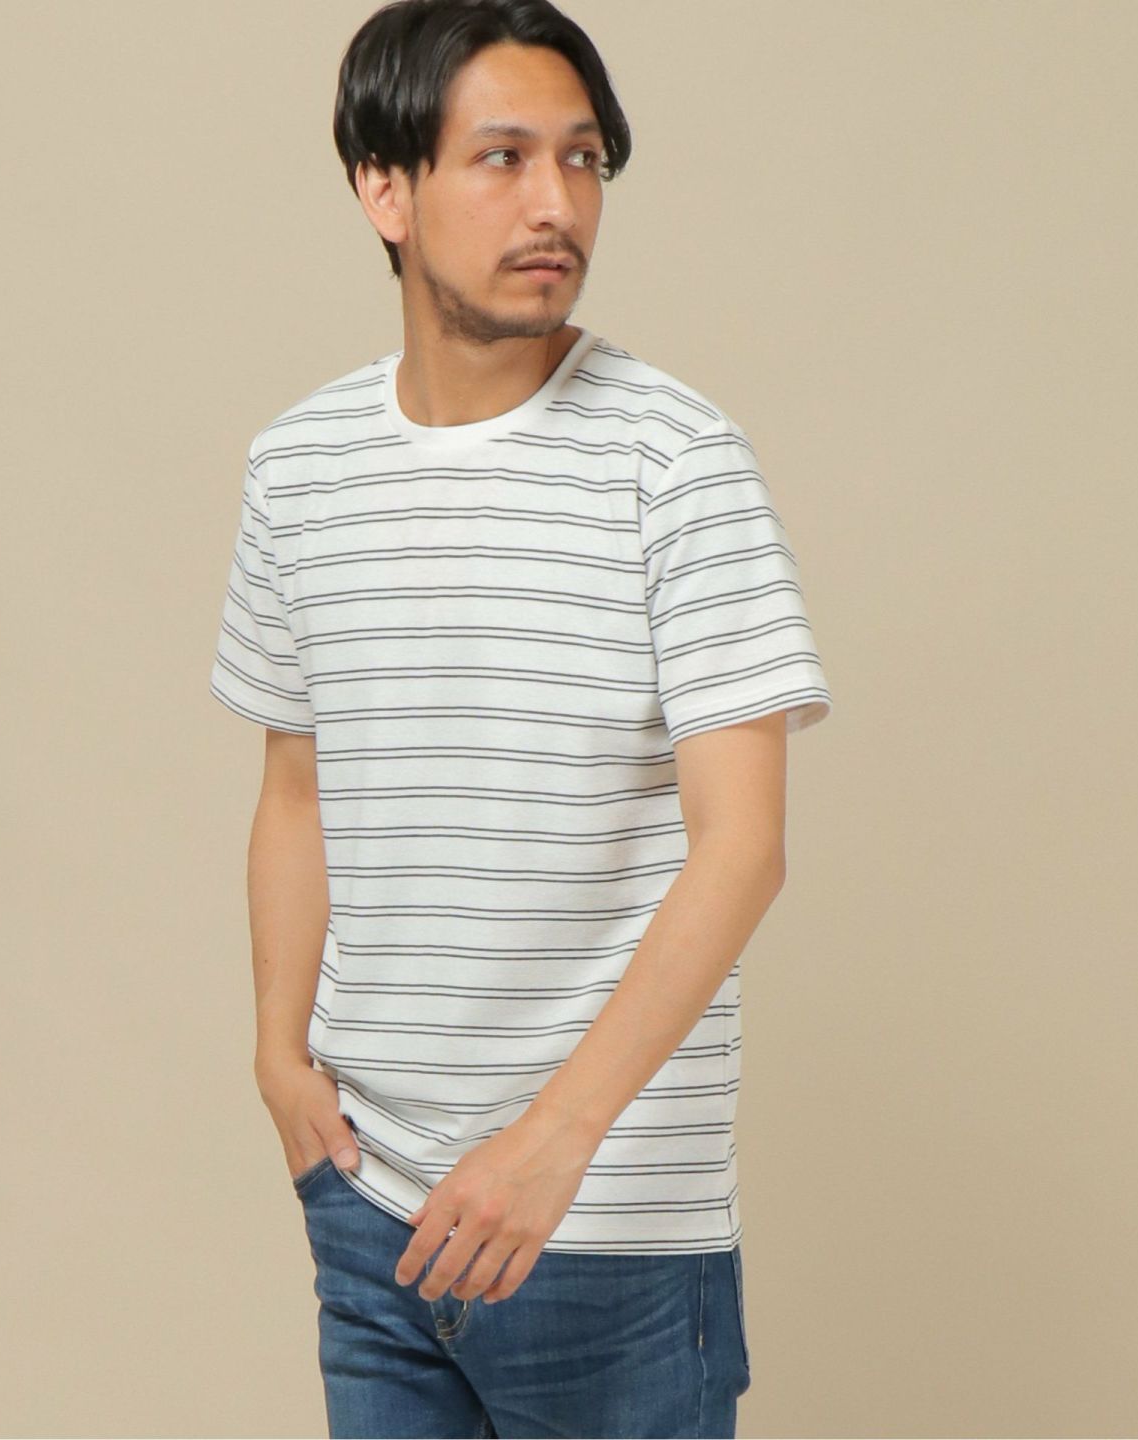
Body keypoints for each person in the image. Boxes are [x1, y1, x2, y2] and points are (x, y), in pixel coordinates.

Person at [209, 1, 833, 1434]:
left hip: (603, 1224)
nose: (556, 203)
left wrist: (555, 1144)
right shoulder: (298, 467)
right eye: (502, 157)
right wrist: (278, 1057)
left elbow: (742, 848)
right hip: (370, 1208)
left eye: (583, 159)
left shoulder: (676, 461)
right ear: (386, 188)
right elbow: (296, 789)